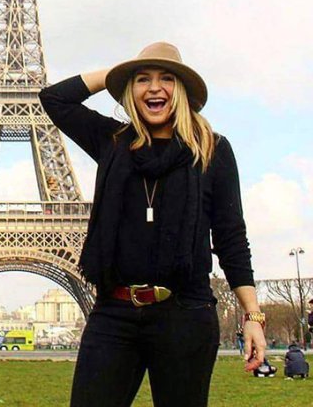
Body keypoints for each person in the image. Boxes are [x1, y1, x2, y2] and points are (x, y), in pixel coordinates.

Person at [39, 42, 266, 407]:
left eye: (167, 78)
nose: (154, 87)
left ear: (183, 91)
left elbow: (231, 238)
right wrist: (118, 71)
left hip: (185, 313)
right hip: (114, 313)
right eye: (142, 79)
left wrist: (252, 315)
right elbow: (54, 99)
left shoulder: (212, 151)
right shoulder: (111, 142)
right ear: (131, 90)